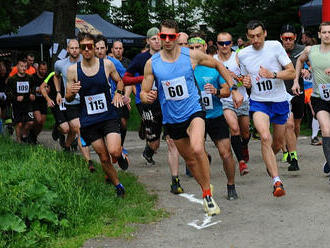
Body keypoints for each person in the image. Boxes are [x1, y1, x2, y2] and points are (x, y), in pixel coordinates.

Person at [141, 19, 243, 215]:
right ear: (160, 37)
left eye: (172, 36)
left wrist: (233, 88)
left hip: (194, 111)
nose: (168, 40)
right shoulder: (151, 63)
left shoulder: (191, 56)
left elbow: (218, 65)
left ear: (177, 37)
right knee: (190, 161)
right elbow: (144, 93)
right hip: (172, 118)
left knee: (198, 148)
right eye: (164, 36)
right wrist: (148, 96)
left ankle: (206, 194)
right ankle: (206, 188)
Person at [65, 32, 128, 197]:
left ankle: (119, 154)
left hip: (108, 116)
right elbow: (67, 97)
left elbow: (120, 80)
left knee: (113, 152)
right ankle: (118, 186)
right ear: (79, 49)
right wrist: (71, 93)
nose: (86, 50)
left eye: (89, 46)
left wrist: (118, 93)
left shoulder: (106, 65)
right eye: (83, 47)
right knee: (104, 157)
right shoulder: (73, 71)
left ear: (94, 47)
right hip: (89, 120)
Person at [237, 20, 296, 197]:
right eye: (251, 36)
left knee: (277, 144)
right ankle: (277, 181)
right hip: (258, 102)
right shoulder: (242, 55)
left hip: (279, 101)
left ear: (265, 34)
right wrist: (244, 82)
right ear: (247, 36)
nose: (255, 40)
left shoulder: (275, 47)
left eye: (258, 35)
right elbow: (244, 78)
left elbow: (292, 72)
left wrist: (273, 75)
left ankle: (269, 161)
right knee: (264, 137)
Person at [189, 35, 248, 200]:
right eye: (191, 48)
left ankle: (231, 185)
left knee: (225, 152)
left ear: (205, 48)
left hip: (215, 114)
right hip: (195, 116)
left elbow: (226, 90)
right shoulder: (186, 67)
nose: (194, 51)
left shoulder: (213, 66)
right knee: (197, 151)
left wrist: (216, 91)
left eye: (198, 47)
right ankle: (205, 160)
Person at [294, 21, 330, 176]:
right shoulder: (310, 50)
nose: (327, 35)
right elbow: (300, 61)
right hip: (319, 97)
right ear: (319, 34)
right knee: (326, 130)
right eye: (324, 32)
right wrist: (297, 80)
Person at [123, 27, 163, 167]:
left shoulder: (168, 56)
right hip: (145, 101)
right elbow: (126, 79)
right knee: (155, 141)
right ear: (147, 41)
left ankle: (147, 131)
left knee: (165, 136)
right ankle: (148, 149)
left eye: (159, 38)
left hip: (164, 101)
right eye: (153, 39)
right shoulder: (141, 58)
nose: (157, 41)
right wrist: (145, 78)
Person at [54, 39, 94, 171]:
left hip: (86, 102)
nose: (75, 50)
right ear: (68, 49)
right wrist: (59, 92)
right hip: (71, 102)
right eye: (72, 48)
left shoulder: (87, 60)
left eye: (77, 48)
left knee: (74, 130)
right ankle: (89, 162)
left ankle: (66, 146)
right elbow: (56, 76)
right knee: (79, 129)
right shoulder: (60, 64)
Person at [214, 31, 250, 176]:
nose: (224, 46)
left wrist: (236, 78)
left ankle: (244, 146)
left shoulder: (238, 58)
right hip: (225, 100)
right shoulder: (213, 60)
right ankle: (241, 162)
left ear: (232, 43)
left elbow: (247, 81)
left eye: (227, 43)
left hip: (242, 99)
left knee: (245, 133)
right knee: (234, 129)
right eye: (221, 43)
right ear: (217, 44)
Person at [94, 35, 131, 158]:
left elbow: (126, 79)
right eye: (97, 48)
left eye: (102, 48)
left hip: (114, 99)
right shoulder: (89, 63)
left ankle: (120, 147)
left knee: (122, 123)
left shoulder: (114, 63)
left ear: (106, 49)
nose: (99, 51)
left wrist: (123, 95)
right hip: (97, 102)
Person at [279, 24, 305, 171]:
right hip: (282, 93)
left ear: (295, 37)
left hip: (297, 91)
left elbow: (308, 63)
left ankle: (291, 146)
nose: (287, 41)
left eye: (290, 38)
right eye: (285, 38)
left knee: (295, 125)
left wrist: (307, 71)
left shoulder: (301, 50)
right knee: (287, 124)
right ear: (281, 38)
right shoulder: (277, 51)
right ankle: (289, 154)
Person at [6, 56, 35, 143]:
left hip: (27, 103)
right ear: (17, 66)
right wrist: (15, 97)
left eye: (25, 66)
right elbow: (8, 92)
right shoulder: (12, 79)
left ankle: (23, 134)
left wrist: (32, 93)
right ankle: (18, 141)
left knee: (30, 122)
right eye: (21, 66)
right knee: (19, 123)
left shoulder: (30, 78)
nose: (23, 68)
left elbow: (33, 87)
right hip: (17, 105)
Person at [30, 61, 49, 144]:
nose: (43, 71)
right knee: (38, 120)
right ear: (38, 69)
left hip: (43, 102)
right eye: (41, 69)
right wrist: (36, 90)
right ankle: (31, 135)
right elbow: (30, 88)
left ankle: (33, 136)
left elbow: (49, 88)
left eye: (45, 69)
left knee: (41, 124)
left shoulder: (47, 77)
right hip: (35, 102)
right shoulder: (33, 77)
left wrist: (48, 90)